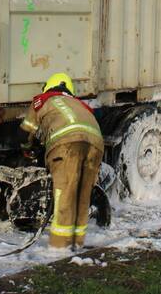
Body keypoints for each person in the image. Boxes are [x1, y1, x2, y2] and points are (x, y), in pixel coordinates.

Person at [20, 73, 104, 249]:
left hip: (66, 146)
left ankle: (59, 248)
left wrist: (28, 149)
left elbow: (28, 131)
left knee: (64, 193)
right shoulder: (79, 104)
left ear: (48, 87)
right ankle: (77, 243)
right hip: (96, 145)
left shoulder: (42, 100)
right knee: (82, 194)